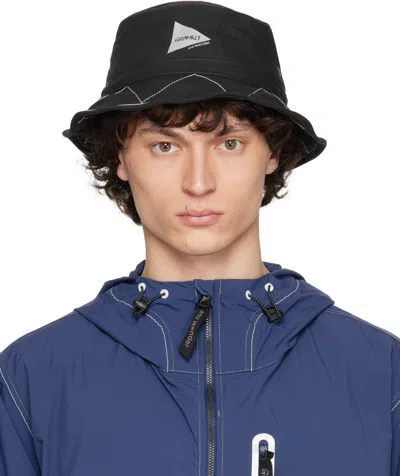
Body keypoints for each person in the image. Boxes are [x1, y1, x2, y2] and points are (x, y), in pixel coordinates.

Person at [1, 1, 399, 475]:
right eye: (164, 145)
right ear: (121, 158)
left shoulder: (383, 375)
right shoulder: (30, 379)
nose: (198, 182)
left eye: (229, 143)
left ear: (272, 153)